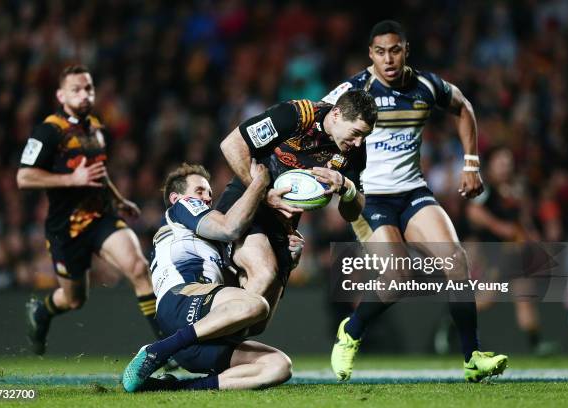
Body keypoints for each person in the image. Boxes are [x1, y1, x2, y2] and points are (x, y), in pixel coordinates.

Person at [323, 20, 508, 382]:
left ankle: (472, 357)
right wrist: (328, 177)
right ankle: (352, 330)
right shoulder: (355, 89)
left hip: (412, 193)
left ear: (405, 50)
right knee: (397, 277)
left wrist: (471, 163)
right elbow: (320, 120)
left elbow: (463, 107)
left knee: (456, 262)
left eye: (395, 50)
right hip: (369, 196)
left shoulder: (426, 85)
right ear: (370, 55)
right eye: (380, 52)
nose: (388, 59)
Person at [17, 65, 161, 354]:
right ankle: (42, 312)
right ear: (61, 95)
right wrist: (71, 179)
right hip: (66, 228)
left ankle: (169, 346)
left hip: (101, 217)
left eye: (88, 89)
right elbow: (24, 177)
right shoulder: (48, 131)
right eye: (76, 90)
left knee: (138, 267)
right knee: (74, 300)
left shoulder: (96, 129)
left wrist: (119, 199)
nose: (84, 95)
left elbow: (99, 173)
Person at [122, 161, 297, 392]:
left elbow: (253, 325)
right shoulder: (181, 208)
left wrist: (286, 263)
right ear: (176, 198)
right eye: (199, 191)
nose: (206, 198)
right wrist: (259, 184)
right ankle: (157, 351)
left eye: (209, 193)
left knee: (279, 366)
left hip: (197, 336)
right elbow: (230, 228)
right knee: (254, 305)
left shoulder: (213, 249)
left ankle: (180, 387)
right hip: (180, 299)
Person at [217, 90, 378, 335]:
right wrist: (262, 192)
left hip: (284, 224)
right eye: (356, 133)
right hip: (248, 204)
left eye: (364, 136)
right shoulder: (296, 115)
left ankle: (218, 348)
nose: (358, 142)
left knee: (259, 320)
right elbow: (231, 144)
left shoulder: (355, 151)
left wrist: (347, 189)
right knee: (263, 274)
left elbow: (352, 213)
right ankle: (202, 348)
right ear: (336, 114)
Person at [466, 146, 558, 355]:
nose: (505, 167)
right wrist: (499, 226)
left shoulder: (516, 188)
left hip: (515, 253)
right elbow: (473, 213)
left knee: (525, 297)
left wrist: (532, 235)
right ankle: (452, 326)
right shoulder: (485, 188)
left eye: (508, 162)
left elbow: (522, 218)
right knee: (487, 298)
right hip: (494, 253)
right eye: (501, 162)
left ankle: (536, 343)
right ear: (491, 165)